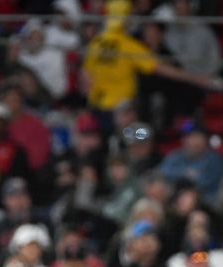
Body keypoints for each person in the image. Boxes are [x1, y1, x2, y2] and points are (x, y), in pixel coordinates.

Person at [81, 0, 218, 115]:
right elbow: (160, 69)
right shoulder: (128, 44)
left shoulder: (96, 42)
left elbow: (85, 76)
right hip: (122, 109)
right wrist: (196, 78)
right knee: (138, 135)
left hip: (97, 106)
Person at [159, 128, 223, 206]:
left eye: (198, 137)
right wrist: (185, 172)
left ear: (205, 141)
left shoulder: (213, 159)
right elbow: (163, 172)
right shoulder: (176, 155)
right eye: (191, 137)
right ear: (184, 140)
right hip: (176, 197)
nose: (194, 142)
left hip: (205, 200)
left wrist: (185, 180)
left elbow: (204, 182)